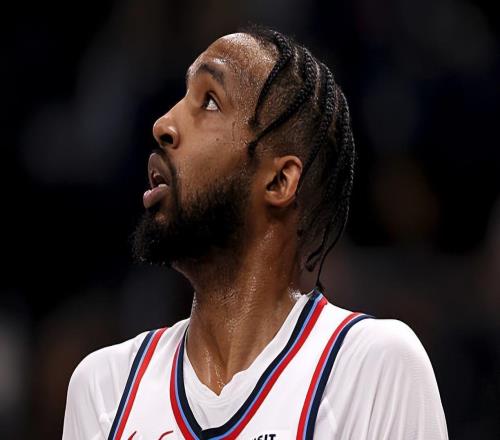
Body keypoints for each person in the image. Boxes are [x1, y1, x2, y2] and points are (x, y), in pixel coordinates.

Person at [62, 27, 448, 440]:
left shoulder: (370, 369)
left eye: (209, 101)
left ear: (279, 181)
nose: (163, 124)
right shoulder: (105, 389)